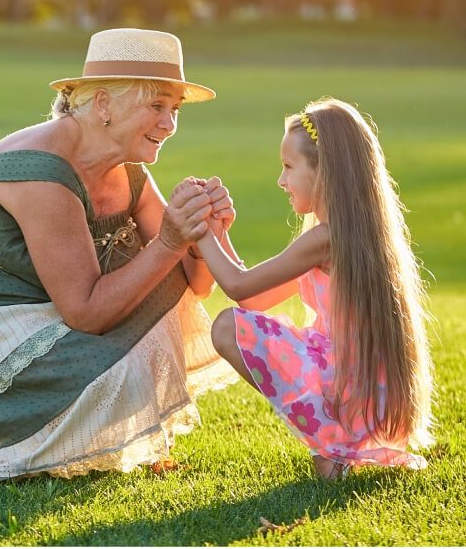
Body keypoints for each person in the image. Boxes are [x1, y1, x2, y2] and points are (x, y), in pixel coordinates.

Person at [0, 28, 239, 480]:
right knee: (146, 285)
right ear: (103, 104)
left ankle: (94, 432)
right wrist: (170, 241)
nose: (169, 124)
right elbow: (86, 312)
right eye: (156, 106)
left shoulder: (127, 170)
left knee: (158, 288)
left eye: (174, 110)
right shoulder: (41, 169)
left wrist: (209, 232)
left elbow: (192, 286)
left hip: (36, 319)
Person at [185, 97, 434, 478]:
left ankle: (328, 445)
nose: (281, 180)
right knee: (240, 324)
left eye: (288, 167)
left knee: (225, 326)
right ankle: (332, 447)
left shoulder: (325, 239)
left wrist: (199, 233)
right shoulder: (355, 235)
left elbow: (236, 287)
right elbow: (253, 297)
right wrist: (220, 235)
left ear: (325, 173)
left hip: (346, 387)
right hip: (364, 389)